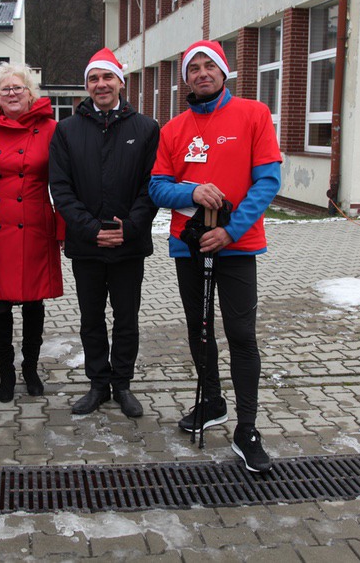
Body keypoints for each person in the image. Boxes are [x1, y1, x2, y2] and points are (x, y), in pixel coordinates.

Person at [149, 40, 282, 472]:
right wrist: (191, 192)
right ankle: (211, 401)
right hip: (189, 245)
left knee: (241, 333)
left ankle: (247, 428)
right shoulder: (173, 129)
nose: (202, 73)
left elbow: (268, 180)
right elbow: (157, 187)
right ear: (186, 79)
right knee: (200, 329)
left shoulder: (253, 114)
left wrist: (230, 230)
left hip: (236, 245)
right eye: (194, 68)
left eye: (209, 66)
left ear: (224, 72)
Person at [49, 47, 159, 418]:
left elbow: (151, 186)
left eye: (107, 77)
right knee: (91, 319)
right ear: (87, 86)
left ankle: (122, 384)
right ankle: (98, 384)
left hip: (129, 245)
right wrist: (91, 229)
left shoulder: (146, 129)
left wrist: (130, 227)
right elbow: (60, 188)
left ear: (120, 82)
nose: (101, 84)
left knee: (126, 319)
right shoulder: (67, 130)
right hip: (87, 246)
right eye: (94, 78)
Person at [0, 63, 63, 402]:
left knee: (34, 303)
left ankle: (30, 368)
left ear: (30, 93)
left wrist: (63, 229)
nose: (12, 93)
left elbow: (62, 183)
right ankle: (6, 372)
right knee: (0, 306)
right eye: (5, 89)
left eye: (18, 87)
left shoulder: (50, 129)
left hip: (36, 224)